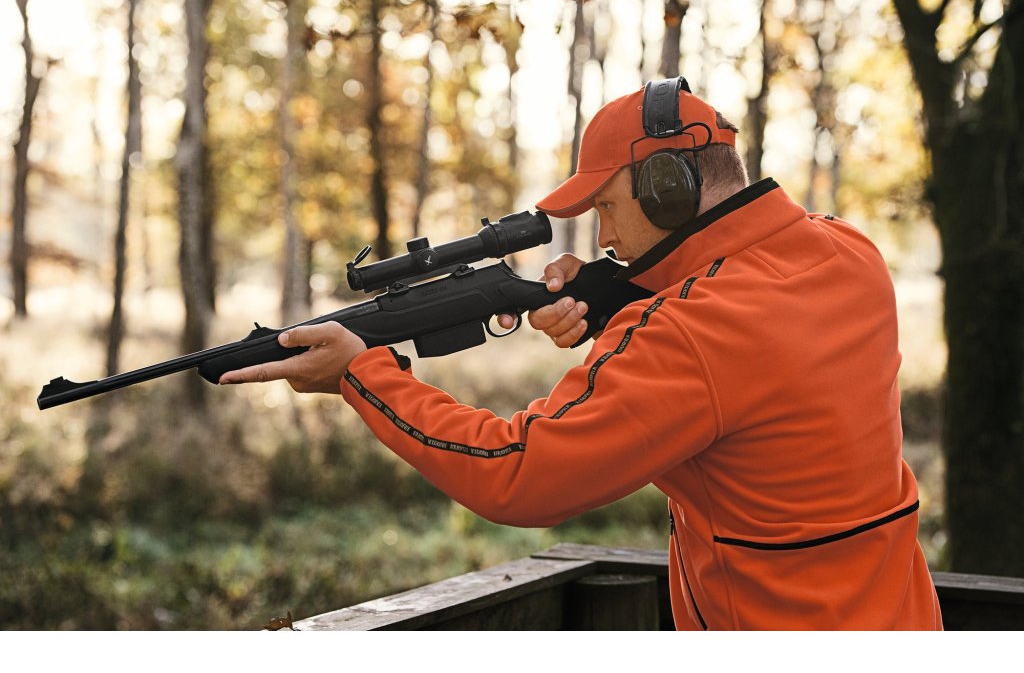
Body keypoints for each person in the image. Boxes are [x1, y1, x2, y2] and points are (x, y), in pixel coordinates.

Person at [219, 78, 943, 630]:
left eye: (605, 205)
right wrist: (619, 295)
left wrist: (362, 373)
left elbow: (519, 474)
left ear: (667, 189)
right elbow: (752, 332)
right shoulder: (848, 252)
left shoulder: (686, 332)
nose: (603, 236)